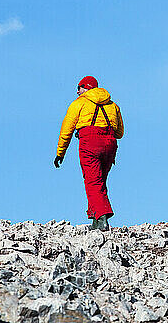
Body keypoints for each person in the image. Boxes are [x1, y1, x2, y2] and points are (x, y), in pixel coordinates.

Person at [54, 76, 124, 231]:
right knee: (99, 181)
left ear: (86, 87)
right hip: (110, 144)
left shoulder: (79, 103)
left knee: (92, 181)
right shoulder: (113, 105)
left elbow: (67, 130)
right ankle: (95, 219)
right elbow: (119, 132)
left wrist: (60, 153)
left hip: (90, 142)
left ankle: (103, 218)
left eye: (79, 87)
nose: (77, 91)